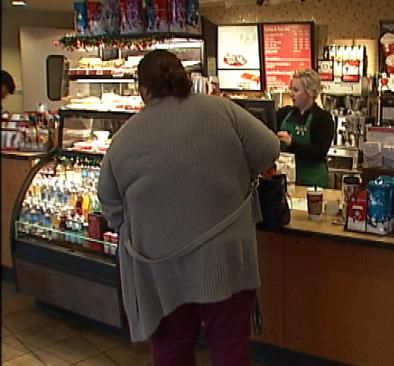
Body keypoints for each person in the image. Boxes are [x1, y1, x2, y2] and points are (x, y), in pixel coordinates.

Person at [97, 50, 279, 366]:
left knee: (171, 350)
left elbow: (112, 209)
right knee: (230, 349)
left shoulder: (123, 139)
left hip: (160, 268)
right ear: (184, 78)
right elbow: (269, 149)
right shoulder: (223, 110)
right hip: (225, 260)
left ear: (143, 89)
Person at [276, 69, 334, 188]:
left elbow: (319, 152)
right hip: (288, 182)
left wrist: (292, 143)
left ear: (310, 92)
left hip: (314, 183)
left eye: (296, 90)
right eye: (291, 89)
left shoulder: (323, 118)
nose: (291, 94)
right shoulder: (284, 113)